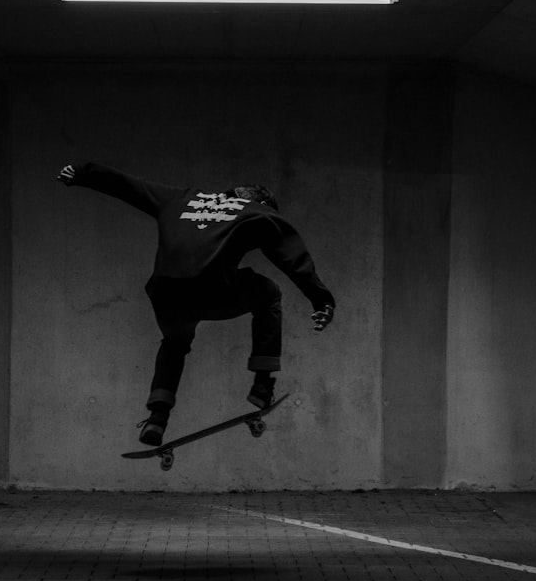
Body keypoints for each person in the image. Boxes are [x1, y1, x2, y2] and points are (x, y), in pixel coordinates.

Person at [58, 162, 335, 446]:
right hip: (211, 290)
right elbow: (290, 253)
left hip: (166, 295)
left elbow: (130, 186)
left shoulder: (180, 198)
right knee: (269, 294)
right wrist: (321, 299)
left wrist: (82, 174)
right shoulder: (257, 210)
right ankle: (262, 385)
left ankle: (157, 418)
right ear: (262, 202)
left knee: (174, 343)